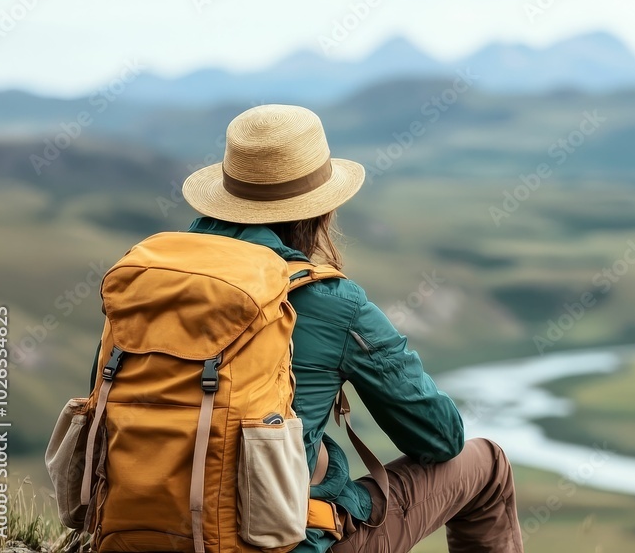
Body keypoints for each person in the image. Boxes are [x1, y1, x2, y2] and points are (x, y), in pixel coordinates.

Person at [178, 104, 524, 552]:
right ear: (317, 212)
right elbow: (440, 437)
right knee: (488, 463)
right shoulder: (332, 301)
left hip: (139, 534)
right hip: (278, 544)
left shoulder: (151, 285)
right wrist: (328, 464)